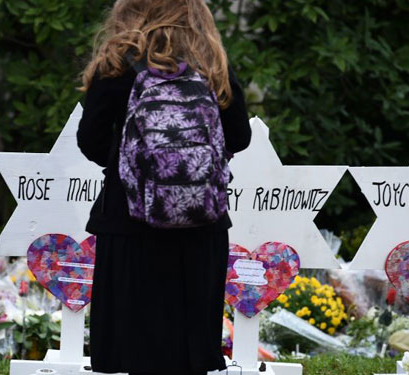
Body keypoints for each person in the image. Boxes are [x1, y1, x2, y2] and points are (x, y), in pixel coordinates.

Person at [77, 0, 251, 374]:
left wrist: (139, 166)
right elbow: (240, 135)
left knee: (133, 350)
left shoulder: (116, 65)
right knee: (189, 352)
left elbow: (90, 140)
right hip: (202, 225)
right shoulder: (211, 66)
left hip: (129, 225)